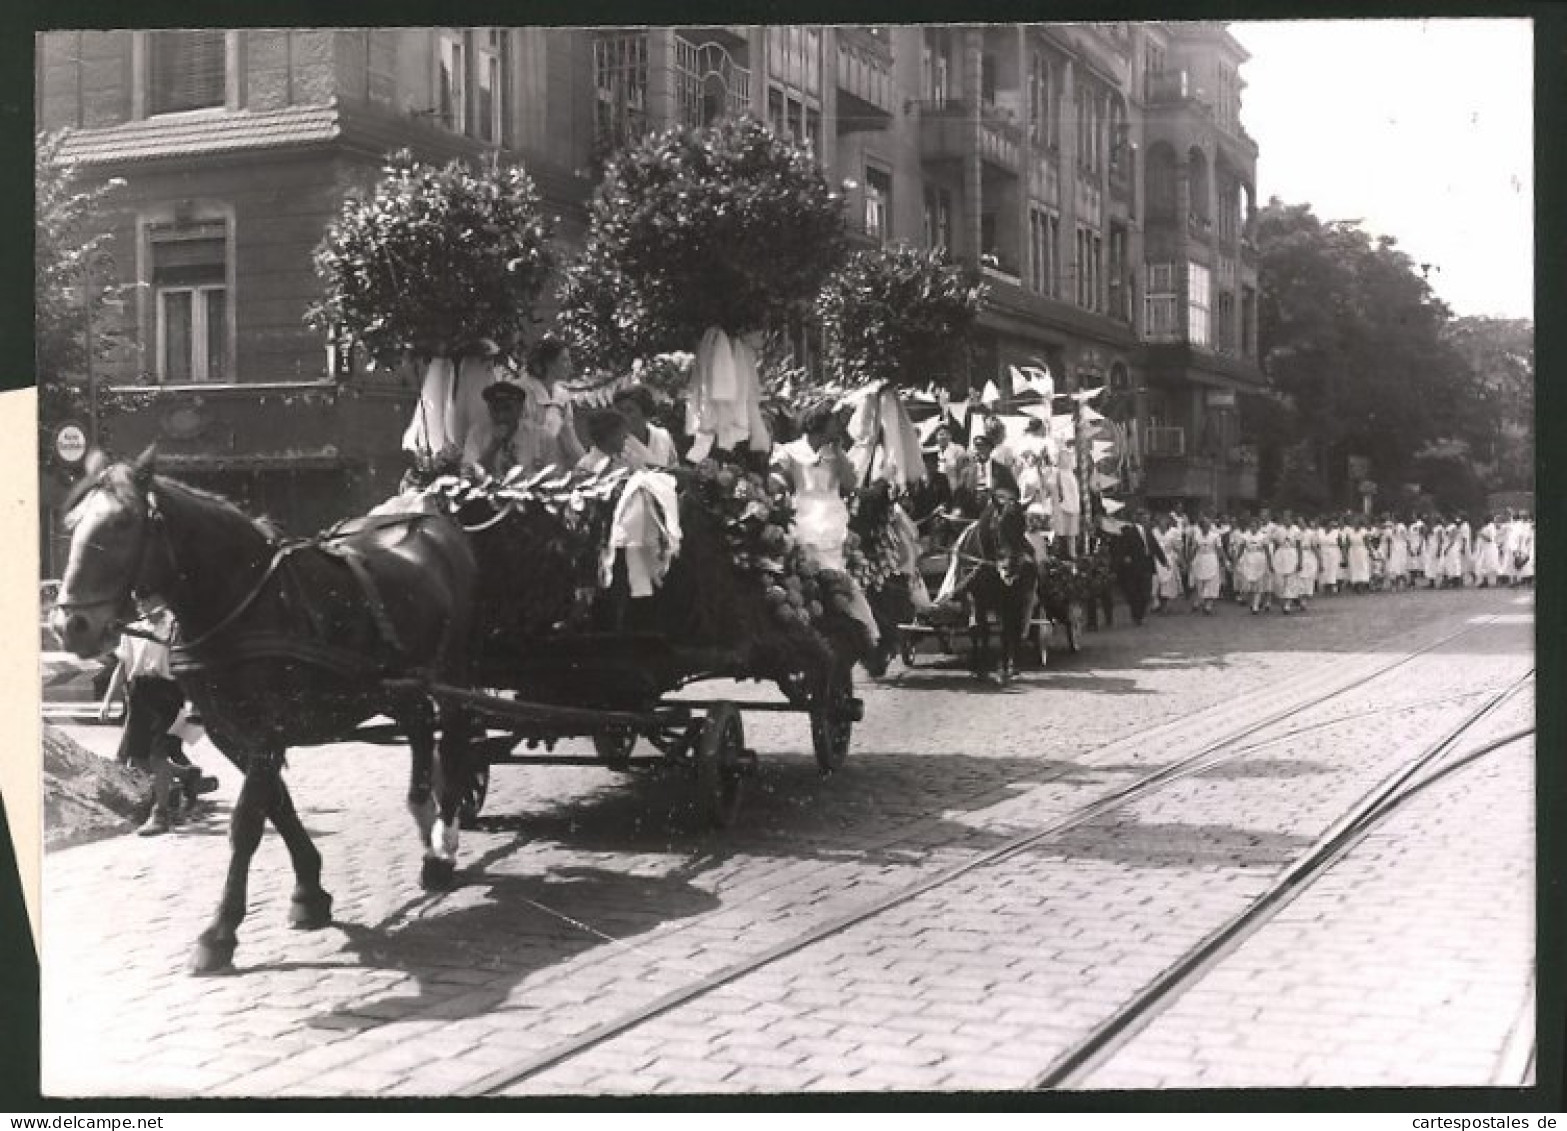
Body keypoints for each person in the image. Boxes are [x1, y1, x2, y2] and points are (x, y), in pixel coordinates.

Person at [101, 597, 217, 836]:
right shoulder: (133, 629)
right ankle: (186, 775)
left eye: (146, 598)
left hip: (167, 693)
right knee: (139, 759)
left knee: (158, 754)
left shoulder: (175, 627)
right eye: (137, 600)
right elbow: (122, 668)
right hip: (138, 693)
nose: (141, 604)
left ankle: (160, 813)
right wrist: (108, 700)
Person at [518, 334, 586, 474]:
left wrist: (585, 467)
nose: (569, 365)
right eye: (564, 360)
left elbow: (570, 438)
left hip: (557, 469)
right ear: (548, 363)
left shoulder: (561, 395)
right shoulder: (520, 392)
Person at [463, 372, 530, 478]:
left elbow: (556, 477)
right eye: (495, 410)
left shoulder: (541, 438)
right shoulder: (476, 435)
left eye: (507, 409)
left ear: (520, 408)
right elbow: (468, 476)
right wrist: (493, 446)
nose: (501, 416)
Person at [1112, 509, 1168, 625]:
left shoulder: (1148, 531)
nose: (1147, 519)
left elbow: (1155, 547)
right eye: (1145, 517)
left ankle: (1140, 613)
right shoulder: (1129, 531)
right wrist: (1125, 557)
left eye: (1148, 517)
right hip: (1133, 566)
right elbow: (1122, 547)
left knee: (1145, 592)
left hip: (1146, 564)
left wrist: (1164, 561)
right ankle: (1136, 615)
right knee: (1134, 592)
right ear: (1139, 518)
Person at [613, 384, 680, 469]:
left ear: (645, 411)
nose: (622, 416)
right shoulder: (611, 441)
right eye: (619, 410)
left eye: (629, 410)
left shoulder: (663, 436)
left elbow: (674, 469)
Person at [575, 408, 632, 475]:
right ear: (610, 435)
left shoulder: (624, 458)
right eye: (622, 433)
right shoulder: (587, 467)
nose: (626, 437)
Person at [1187, 514, 1224, 615]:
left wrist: (1223, 561)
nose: (1206, 527)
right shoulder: (1197, 536)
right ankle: (1199, 601)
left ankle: (1208, 605)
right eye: (1204, 525)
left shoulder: (1216, 536)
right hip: (1200, 559)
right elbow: (1193, 549)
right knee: (1199, 582)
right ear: (1201, 526)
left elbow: (1220, 550)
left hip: (1212, 559)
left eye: (1208, 525)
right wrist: (1189, 560)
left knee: (1212, 582)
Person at [931, 424, 970, 494]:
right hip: (935, 488)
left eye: (946, 434)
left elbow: (964, 470)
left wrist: (960, 488)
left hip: (953, 487)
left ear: (950, 436)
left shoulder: (959, 449)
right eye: (941, 434)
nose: (943, 437)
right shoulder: (932, 451)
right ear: (936, 437)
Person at [1473, 515, 1502, 588]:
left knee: (1493, 565)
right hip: (1485, 549)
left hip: (1490, 549)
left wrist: (1481, 534)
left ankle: (1498, 580)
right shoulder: (1487, 527)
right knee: (1484, 565)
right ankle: (1485, 581)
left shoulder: (1491, 527)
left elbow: (1490, 539)